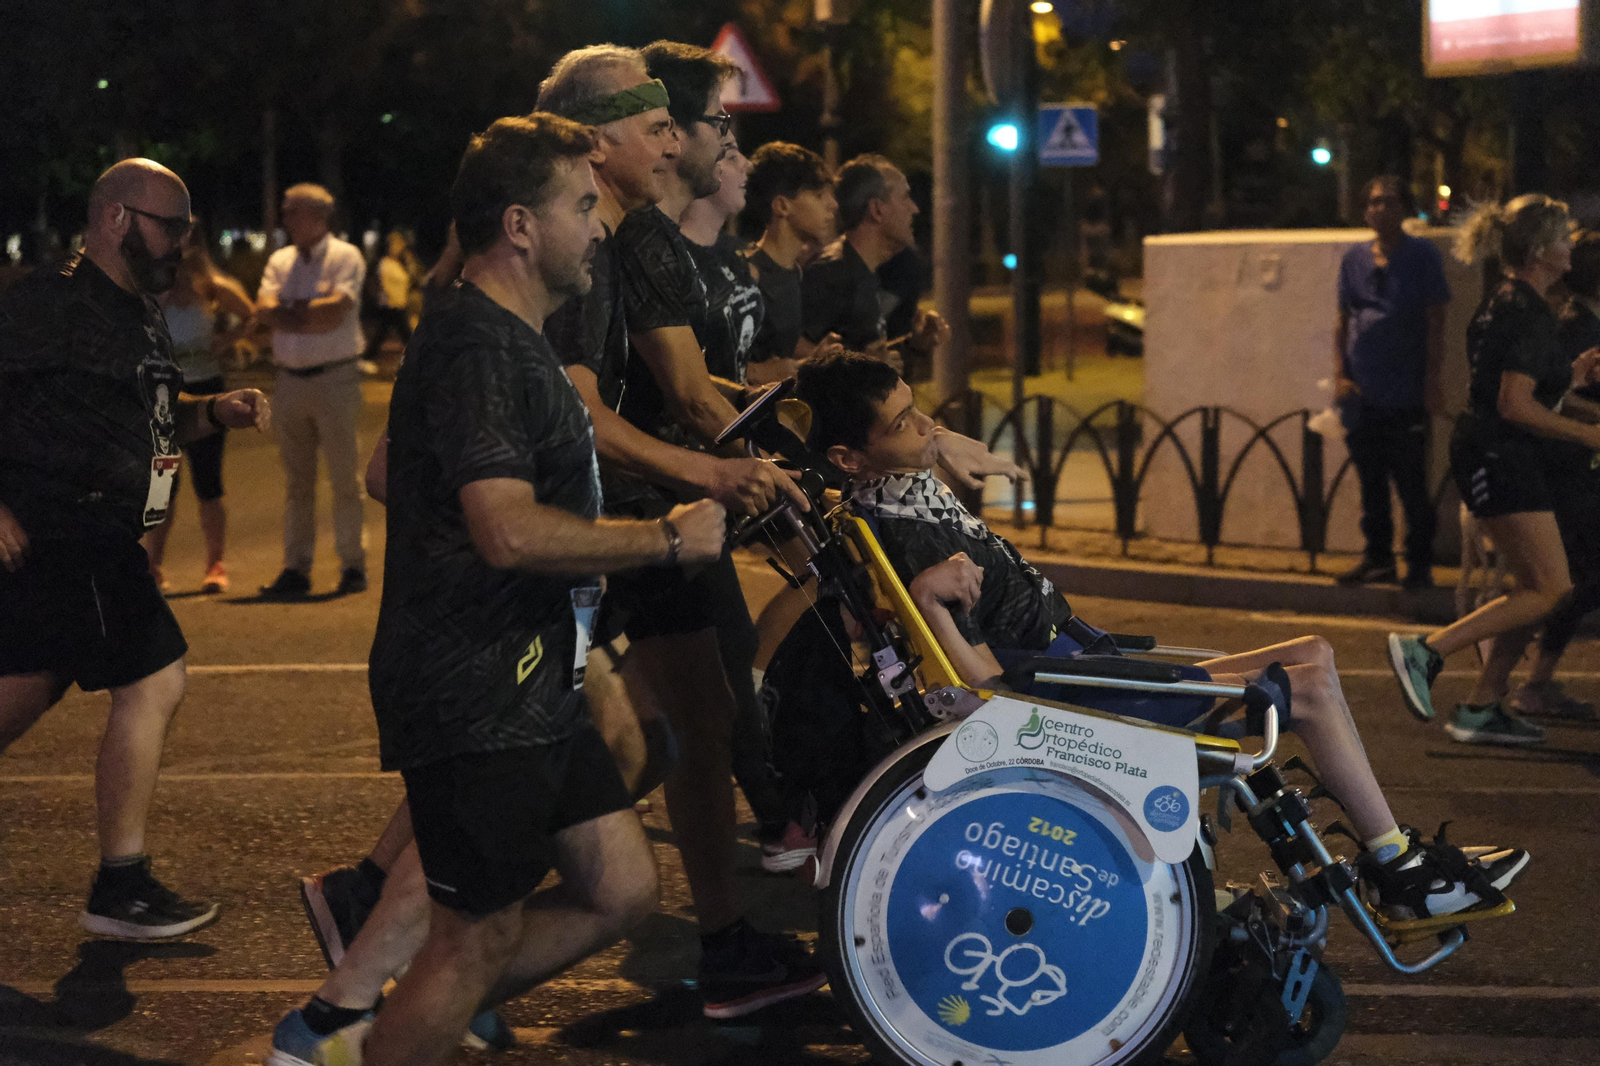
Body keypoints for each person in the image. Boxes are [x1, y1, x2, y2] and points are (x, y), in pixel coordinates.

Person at [275, 112, 729, 1066]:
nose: (597, 226)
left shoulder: (515, 341)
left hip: (536, 685)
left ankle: (390, 1019)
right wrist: (663, 540)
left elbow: (426, 484)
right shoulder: (481, 346)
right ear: (520, 226)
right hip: (474, 689)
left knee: (620, 889)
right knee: (470, 936)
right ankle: (350, 1038)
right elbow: (506, 529)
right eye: (578, 205)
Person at [791, 350, 1530, 921]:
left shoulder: (890, 491)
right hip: (1071, 698)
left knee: (1314, 652)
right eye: (903, 423)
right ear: (849, 460)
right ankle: (1399, 872)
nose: (924, 428)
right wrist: (931, 600)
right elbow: (978, 687)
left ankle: (1396, 862)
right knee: (1305, 686)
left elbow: (905, 454)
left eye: (920, 411)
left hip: (1086, 666)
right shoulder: (901, 538)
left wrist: (942, 440)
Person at [0, 158, 270, 938]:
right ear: (117, 218)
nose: (182, 242)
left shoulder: (140, 314)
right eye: (170, 224)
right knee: (154, 679)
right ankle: (120, 885)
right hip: (65, 532)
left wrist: (214, 411)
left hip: (90, 539)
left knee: (25, 693)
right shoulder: (51, 303)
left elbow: (152, 419)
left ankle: (120, 886)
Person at [1388, 195, 1600, 746]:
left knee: (1538, 587)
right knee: (1552, 586)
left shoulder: (1514, 301)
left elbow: (1523, 392)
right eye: (1561, 237)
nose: (1569, 246)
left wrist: (1570, 378)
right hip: (1499, 453)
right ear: (1537, 250)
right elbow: (1513, 405)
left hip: (1500, 452)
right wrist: (1589, 433)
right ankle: (1426, 650)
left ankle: (1483, 705)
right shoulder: (1524, 310)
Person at [1333, 176, 1452, 590]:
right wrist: (1341, 374)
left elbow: (1436, 319)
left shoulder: (1421, 256)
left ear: (1404, 208)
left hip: (1406, 390)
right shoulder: (1354, 260)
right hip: (1364, 391)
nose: (1380, 210)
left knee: (1412, 482)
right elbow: (1343, 319)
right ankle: (1378, 557)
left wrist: (1433, 379)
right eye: (1374, 203)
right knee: (1371, 482)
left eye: (1389, 202)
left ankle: (1419, 563)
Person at [256, 183, 370, 600]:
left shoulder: (346, 256)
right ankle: (297, 567)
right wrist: (311, 310)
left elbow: (337, 311)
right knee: (297, 481)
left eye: (293, 211)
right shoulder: (281, 260)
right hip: (290, 378)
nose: (285, 219)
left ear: (319, 216)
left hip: (335, 377)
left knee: (344, 478)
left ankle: (352, 563)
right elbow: (264, 311)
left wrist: (288, 313)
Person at [1507, 230, 1600, 717]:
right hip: (1570, 469)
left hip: (1581, 467)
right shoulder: (1574, 327)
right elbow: (1551, 394)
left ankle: (1529, 680)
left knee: (1575, 579)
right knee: (1573, 580)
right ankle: (1525, 682)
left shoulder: (1587, 323)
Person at [141, 224, 256, 594]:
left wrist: (227, 340)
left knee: (208, 482)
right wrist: (165, 293)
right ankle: (153, 567)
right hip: (164, 389)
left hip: (206, 386)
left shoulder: (211, 285)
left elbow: (252, 314)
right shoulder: (155, 284)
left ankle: (215, 564)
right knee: (162, 482)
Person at [800, 154, 949, 368]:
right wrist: (864, 366)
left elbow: (864, 361)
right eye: (905, 197)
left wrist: (914, 345)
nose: (914, 209)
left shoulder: (860, 272)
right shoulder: (831, 276)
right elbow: (798, 361)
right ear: (877, 210)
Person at [743, 142, 837, 384]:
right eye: (818, 195)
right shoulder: (747, 275)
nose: (833, 205)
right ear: (782, 205)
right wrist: (759, 373)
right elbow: (712, 365)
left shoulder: (792, 271)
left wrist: (816, 359)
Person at [361, 229, 418, 370]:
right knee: (406, 334)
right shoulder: (384, 263)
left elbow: (411, 280)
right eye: (396, 245)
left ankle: (367, 357)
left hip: (399, 304)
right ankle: (421, 360)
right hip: (390, 304)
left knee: (383, 333)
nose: (399, 248)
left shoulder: (400, 264)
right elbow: (381, 284)